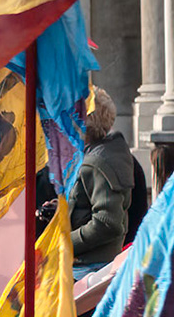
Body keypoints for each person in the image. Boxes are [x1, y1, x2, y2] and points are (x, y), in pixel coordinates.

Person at [70, 88, 137, 276]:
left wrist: (65, 244)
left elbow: (107, 222)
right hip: (96, 262)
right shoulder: (110, 150)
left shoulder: (96, 162)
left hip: (88, 265)